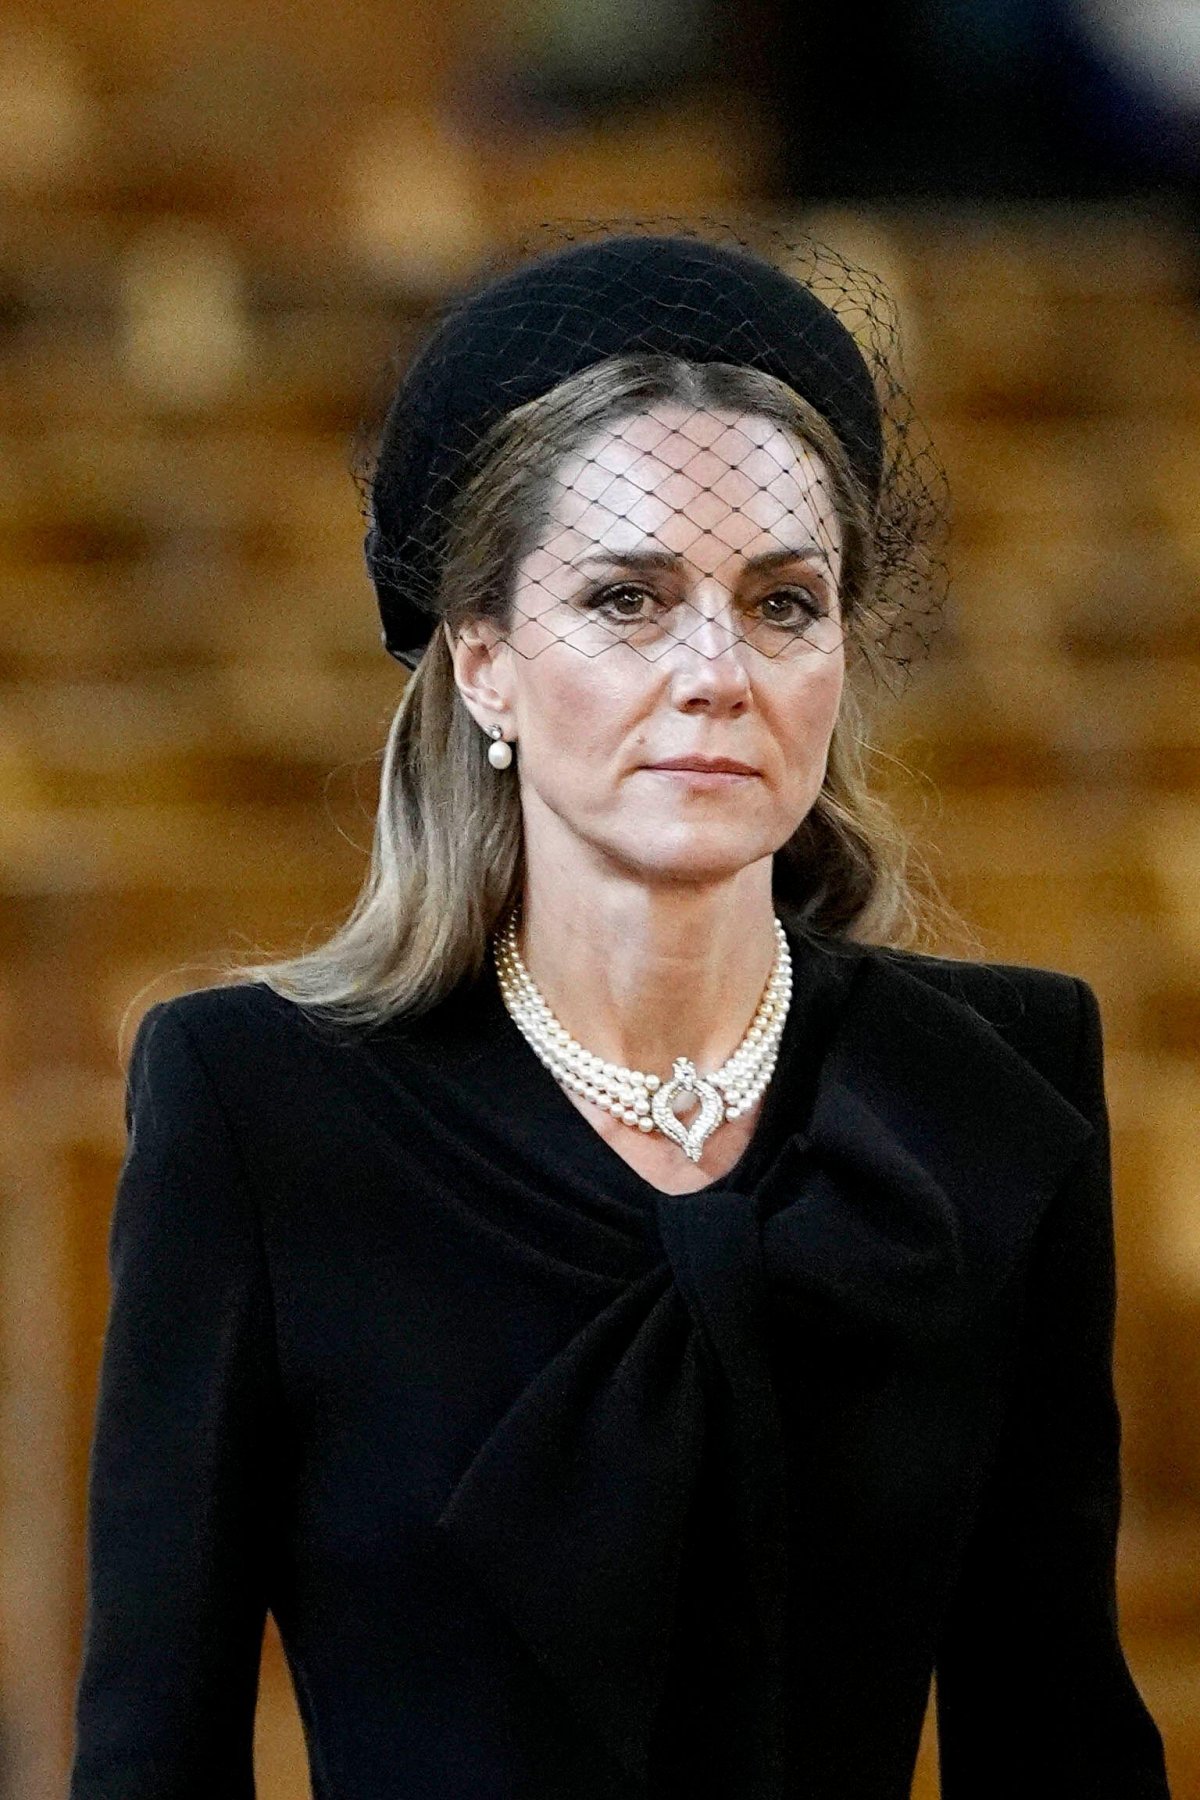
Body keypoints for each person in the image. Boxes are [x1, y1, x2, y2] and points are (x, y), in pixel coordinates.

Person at [68, 223, 1173, 1799]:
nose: (719, 670)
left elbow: (1054, 1724)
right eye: (630, 600)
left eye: (785, 603)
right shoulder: (256, 1103)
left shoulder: (997, 1086)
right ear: (484, 664)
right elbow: (153, 1756)